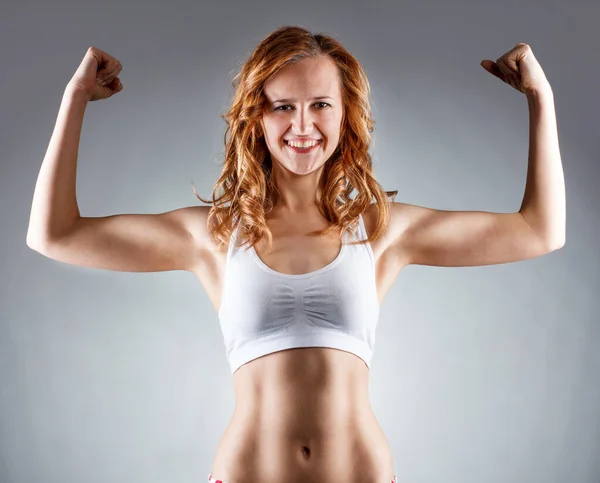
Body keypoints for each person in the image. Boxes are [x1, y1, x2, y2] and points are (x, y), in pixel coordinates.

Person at [26, 25, 565, 483]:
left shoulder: (382, 231)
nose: (302, 126)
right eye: (282, 106)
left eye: (320, 105)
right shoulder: (214, 236)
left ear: (345, 114)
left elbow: (539, 231)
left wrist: (542, 100)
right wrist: (75, 98)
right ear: (256, 119)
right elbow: (54, 234)